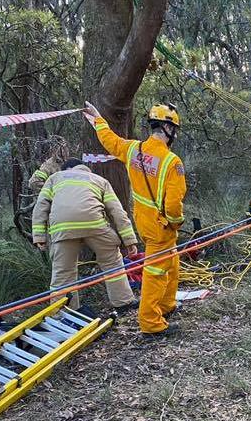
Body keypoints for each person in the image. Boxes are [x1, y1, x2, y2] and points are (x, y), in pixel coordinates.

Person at [84, 101, 186, 337]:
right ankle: (150, 322)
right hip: (162, 227)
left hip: (144, 222)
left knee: (171, 262)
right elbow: (173, 205)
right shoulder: (173, 162)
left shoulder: (133, 150)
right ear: (169, 129)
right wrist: (176, 222)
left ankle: (166, 305)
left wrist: (98, 120)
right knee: (156, 272)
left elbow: (110, 141)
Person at [32, 158, 138, 310]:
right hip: (95, 225)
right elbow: (117, 211)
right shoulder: (99, 180)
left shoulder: (55, 178)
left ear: (66, 169)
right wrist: (129, 240)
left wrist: (39, 236)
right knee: (113, 263)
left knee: (63, 273)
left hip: (63, 228)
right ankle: (124, 302)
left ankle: (64, 312)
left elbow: (40, 207)